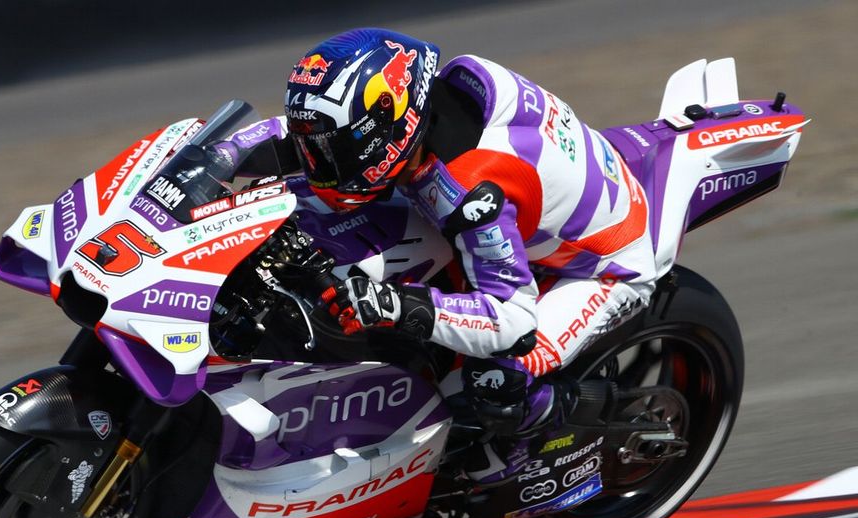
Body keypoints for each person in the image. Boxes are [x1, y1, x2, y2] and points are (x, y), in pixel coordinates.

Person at [234, 28, 663, 485]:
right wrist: (215, 157)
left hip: (597, 269)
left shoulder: (469, 191)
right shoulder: (419, 109)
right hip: (532, 205)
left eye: (330, 150)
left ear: (386, 130)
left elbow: (510, 320)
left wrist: (395, 305)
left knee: (494, 380)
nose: (317, 161)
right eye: (314, 146)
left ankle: (545, 447)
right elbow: (300, 135)